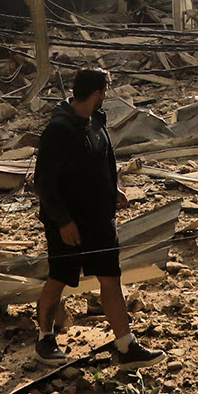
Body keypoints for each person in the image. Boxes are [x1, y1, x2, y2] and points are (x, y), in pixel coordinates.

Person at [31, 66, 162, 367]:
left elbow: (106, 160)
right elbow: (44, 183)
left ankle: (126, 346)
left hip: (99, 219)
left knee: (110, 278)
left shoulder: (96, 120)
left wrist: (115, 188)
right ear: (96, 93)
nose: (107, 94)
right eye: (106, 89)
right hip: (69, 223)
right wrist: (63, 221)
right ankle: (44, 339)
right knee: (59, 277)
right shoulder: (59, 131)